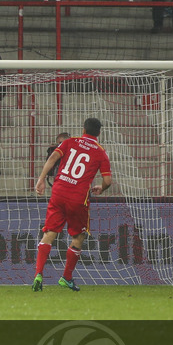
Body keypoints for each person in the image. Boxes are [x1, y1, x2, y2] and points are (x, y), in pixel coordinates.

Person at [32, 118, 112, 292]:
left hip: (59, 192)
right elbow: (108, 180)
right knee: (79, 237)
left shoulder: (70, 142)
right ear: (99, 133)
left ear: (83, 129)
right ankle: (66, 277)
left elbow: (53, 157)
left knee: (50, 232)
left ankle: (38, 273)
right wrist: (102, 188)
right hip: (78, 198)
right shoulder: (100, 152)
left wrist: (41, 179)